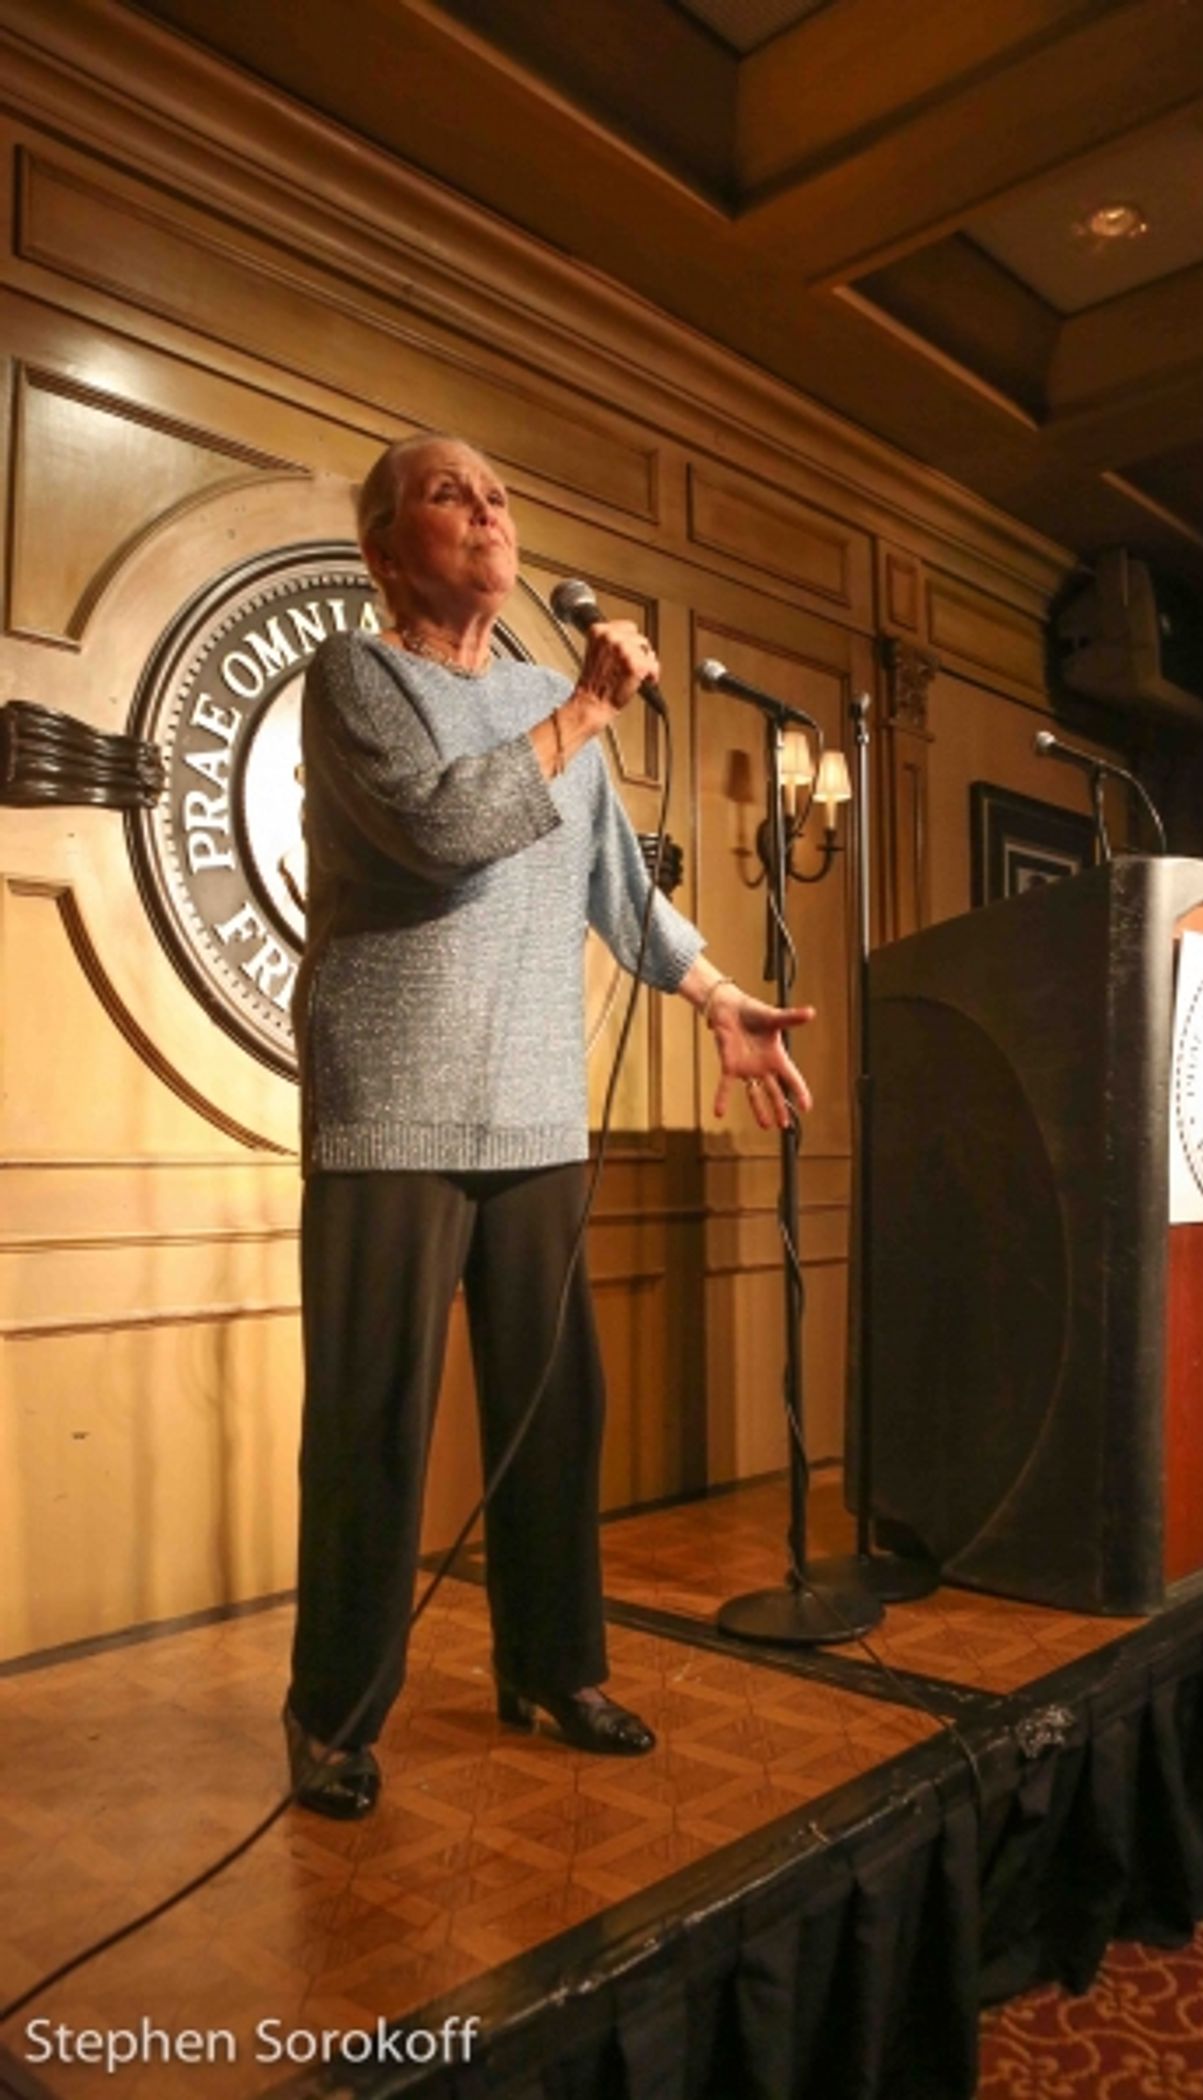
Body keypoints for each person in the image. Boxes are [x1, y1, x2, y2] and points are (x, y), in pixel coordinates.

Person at [283, 432, 814, 1818]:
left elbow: (613, 892)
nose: (490, 508)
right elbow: (442, 828)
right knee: (372, 1424)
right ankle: (333, 1715)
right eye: (450, 493)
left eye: (500, 489)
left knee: (553, 1410)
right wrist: (584, 710)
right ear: (388, 548)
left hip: (534, 1111)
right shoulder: (355, 679)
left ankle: (553, 1667)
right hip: (388, 1109)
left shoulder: (543, 696)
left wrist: (711, 994)